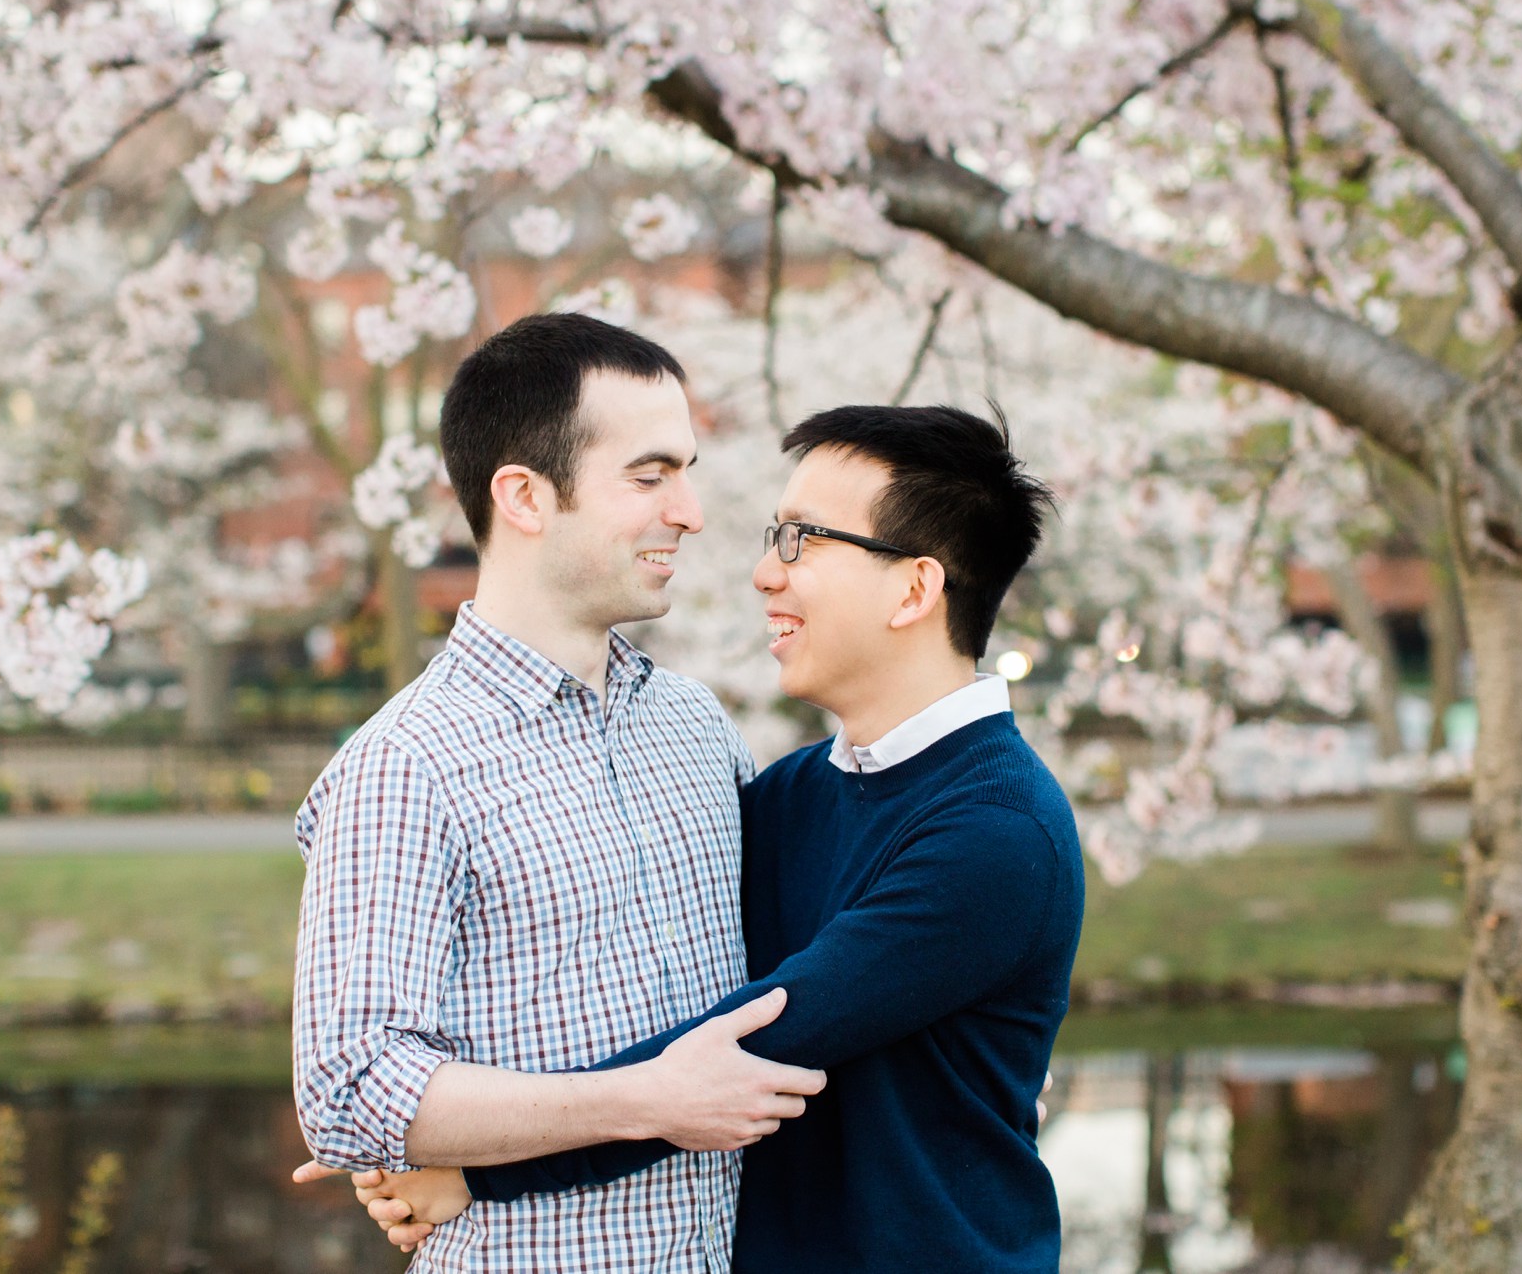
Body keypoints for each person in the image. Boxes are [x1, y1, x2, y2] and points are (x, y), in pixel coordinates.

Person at [355, 404, 1086, 1273]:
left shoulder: (997, 834)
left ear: (915, 589)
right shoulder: (792, 794)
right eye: (773, 536)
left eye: (800, 542)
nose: (762, 575)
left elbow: (754, 1044)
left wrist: (473, 1168)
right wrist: (425, 1117)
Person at [288, 312, 827, 1274]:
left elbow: (802, 960)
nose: (692, 512)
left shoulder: (697, 729)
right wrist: (641, 1099)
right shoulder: (405, 766)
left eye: (688, 472)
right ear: (525, 496)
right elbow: (352, 1089)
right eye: (651, 476)